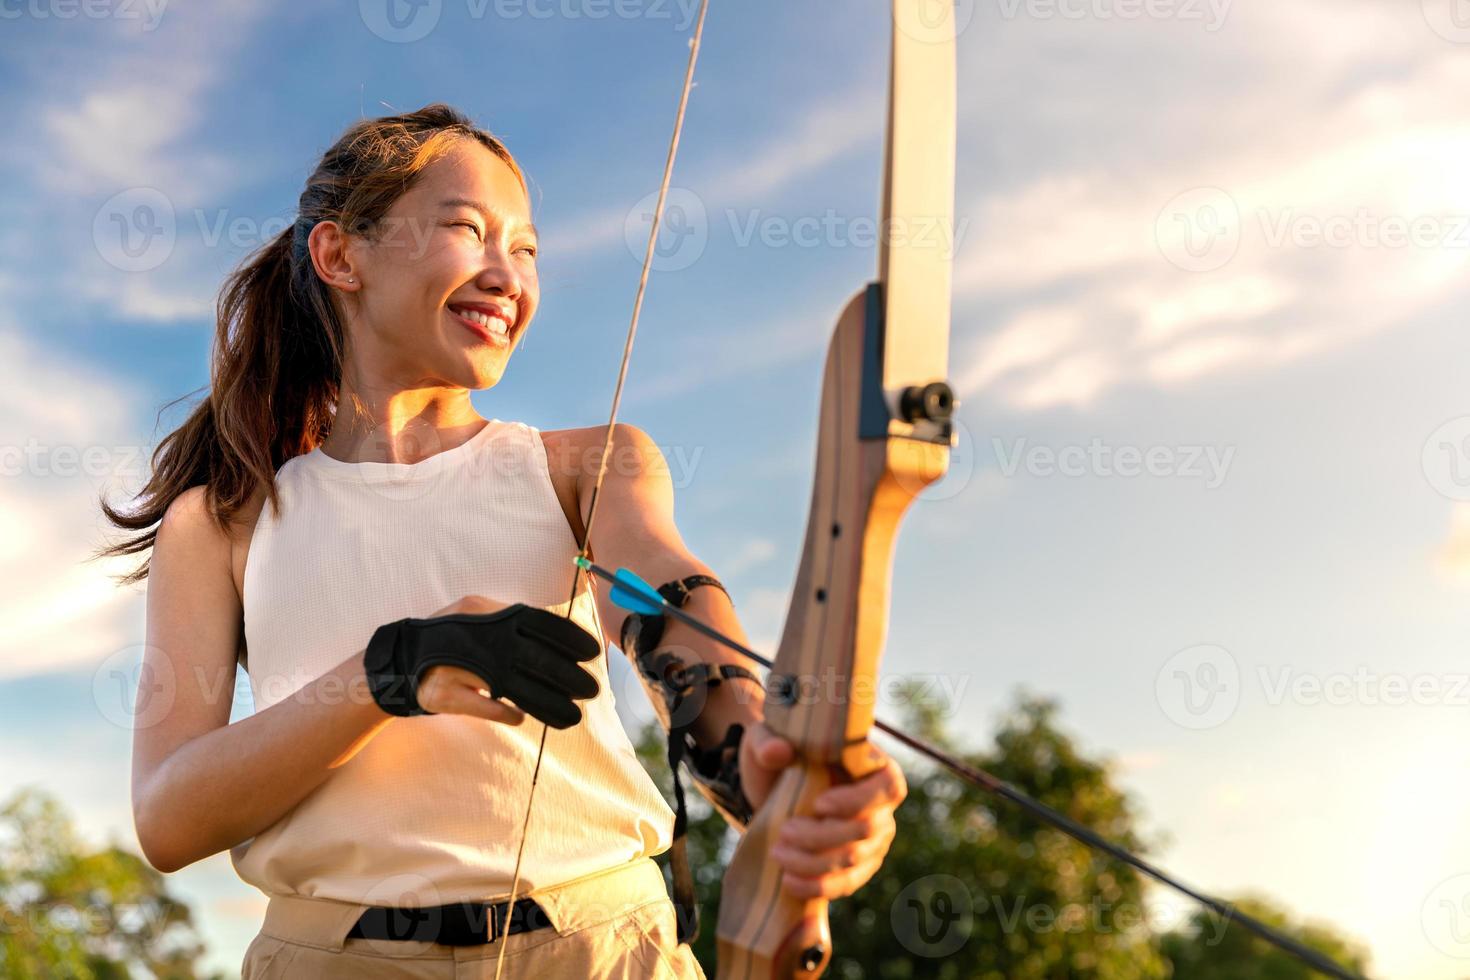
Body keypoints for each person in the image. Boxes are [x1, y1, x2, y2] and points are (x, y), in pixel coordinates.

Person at [100, 103, 906, 978]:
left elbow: (672, 614)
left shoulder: (589, 468)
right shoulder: (223, 521)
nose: (507, 274)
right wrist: (392, 670)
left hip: (601, 949)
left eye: (526, 250)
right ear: (340, 255)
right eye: (467, 230)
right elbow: (168, 819)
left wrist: (771, 775)